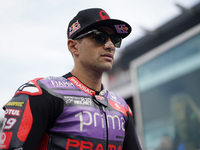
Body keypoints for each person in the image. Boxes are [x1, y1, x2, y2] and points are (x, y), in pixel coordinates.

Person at [0, 8, 142, 150]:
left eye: (115, 40)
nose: (110, 46)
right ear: (73, 46)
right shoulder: (43, 92)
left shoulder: (122, 108)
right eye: (100, 37)